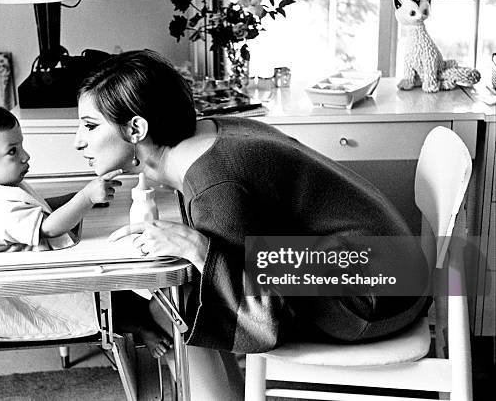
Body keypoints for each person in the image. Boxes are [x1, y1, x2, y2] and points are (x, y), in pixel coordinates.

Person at [74, 49, 431, 399]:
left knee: (175, 305)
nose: (79, 142)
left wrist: (198, 250)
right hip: (390, 268)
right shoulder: (211, 132)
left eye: (90, 126)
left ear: (136, 128)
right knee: (180, 298)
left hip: (372, 299)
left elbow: (264, 314)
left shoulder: (214, 185)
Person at [0, 100, 171, 357]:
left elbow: (39, 208)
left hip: (44, 276)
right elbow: (48, 227)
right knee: (115, 298)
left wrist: (74, 197)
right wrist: (85, 198)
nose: (25, 155)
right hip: (38, 293)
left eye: (21, 145)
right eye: (12, 151)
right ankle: (142, 326)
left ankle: (148, 319)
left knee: (124, 294)